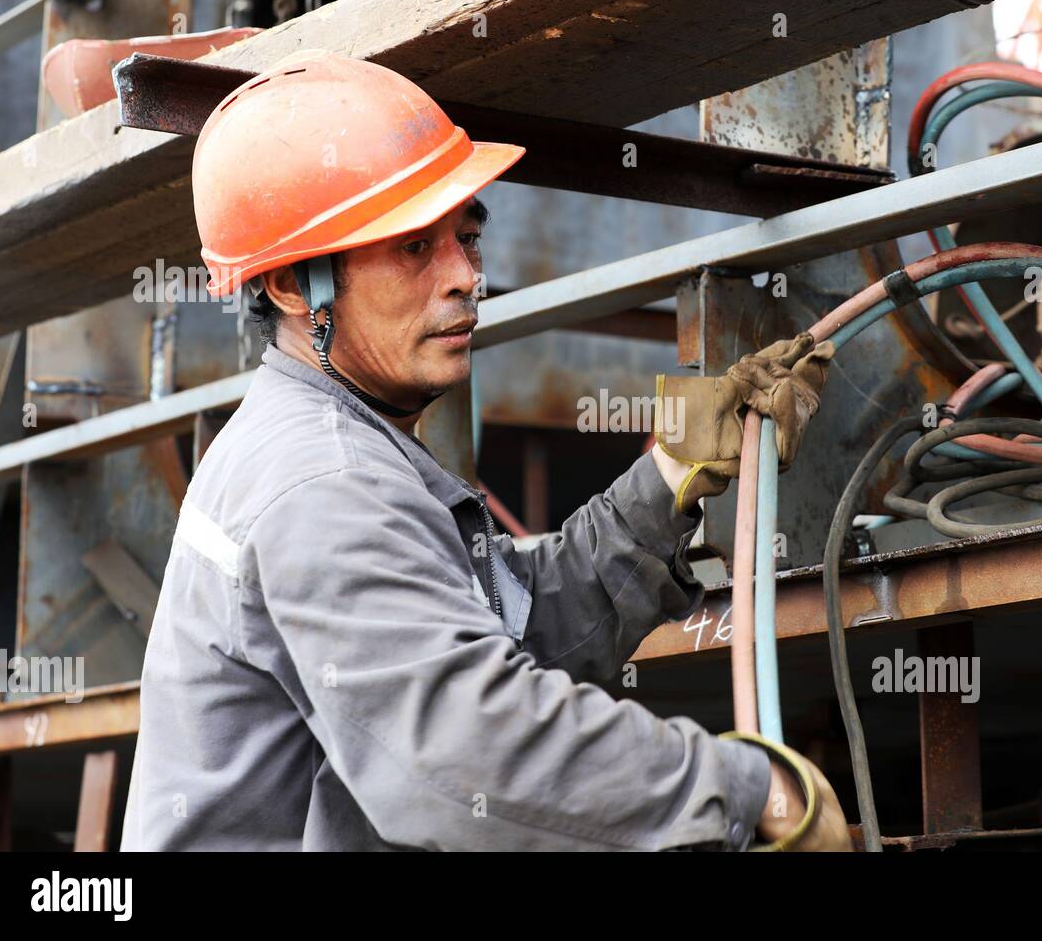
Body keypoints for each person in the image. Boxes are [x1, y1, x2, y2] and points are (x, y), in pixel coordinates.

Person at [121, 50, 847, 851]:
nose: (467, 277)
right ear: (296, 285)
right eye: (413, 248)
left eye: (467, 240)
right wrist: (748, 793)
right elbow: (471, 755)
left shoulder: (329, 442)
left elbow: (510, 630)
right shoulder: (323, 481)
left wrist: (675, 471)